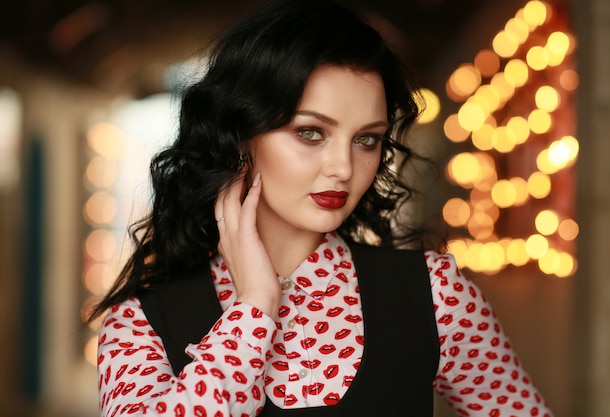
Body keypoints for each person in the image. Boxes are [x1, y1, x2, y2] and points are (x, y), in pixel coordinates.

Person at [90, 0, 553, 416]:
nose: (343, 168)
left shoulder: (435, 295)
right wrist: (254, 307)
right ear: (239, 137)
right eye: (311, 132)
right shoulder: (141, 321)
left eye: (366, 140)